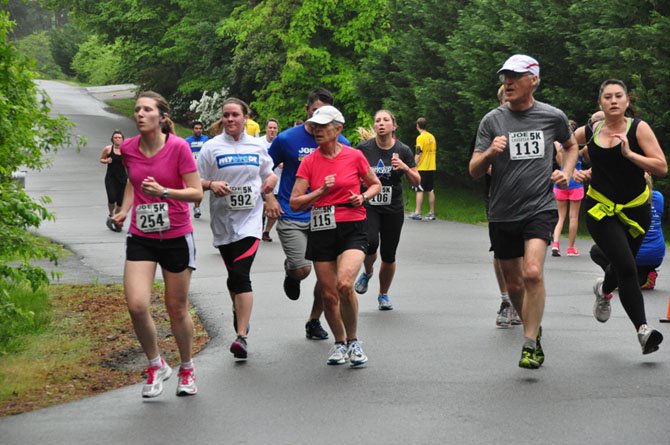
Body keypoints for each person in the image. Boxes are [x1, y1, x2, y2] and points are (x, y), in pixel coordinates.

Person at [469, 54, 579, 369]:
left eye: (516, 76)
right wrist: (490, 152)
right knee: (515, 285)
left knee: (533, 271)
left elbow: (571, 146)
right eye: (505, 75)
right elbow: (474, 170)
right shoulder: (492, 120)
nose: (508, 81)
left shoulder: (552, 116)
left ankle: (530, 342)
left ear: (534, 79)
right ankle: (532, 321)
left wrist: (566, 174)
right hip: (502, 211)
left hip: (539, 207)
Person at [111, 91, 203, 397]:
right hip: (142, 236)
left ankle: (187, 368)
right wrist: (125, 209)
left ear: (162, 117)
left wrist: (165, 192)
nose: (139, 114)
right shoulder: (128, 148)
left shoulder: (178, 148)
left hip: (177, 234)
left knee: (176, 309)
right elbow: (132, 183)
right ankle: (156, 364)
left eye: (146, 109)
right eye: (137, 109)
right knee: (137, 305)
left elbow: (196, 193)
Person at [573, 79, 666, 354]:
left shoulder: (639, 129)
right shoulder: (591, 129)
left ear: (627, 102)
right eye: (607, 97)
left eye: (618, 96)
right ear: (600, 103)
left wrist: (629, 154)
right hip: (601, 209)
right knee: (627, 267)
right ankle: (643, 331)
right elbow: (565, 144)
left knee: (621, 265)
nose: (613, 101)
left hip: (636, 210)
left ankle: (603, 290)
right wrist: (573, 169)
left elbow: (661, 167)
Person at [289, 105, 381, 366]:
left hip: (352, 225)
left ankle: (354, 341)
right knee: (328, 295)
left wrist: (361, 196)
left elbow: (376, 184)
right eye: (315, 126)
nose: (317, 130)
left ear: (337, 129)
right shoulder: (309, 161)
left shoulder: (354, 156)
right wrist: (319, 192)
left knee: (344, 284)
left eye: (323, 126)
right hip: (321, 227)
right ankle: (339, 343)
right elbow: (295, 202)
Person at [197, 98, 278, 360]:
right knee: (234, 276)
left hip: (251, 221)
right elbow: (194, 181)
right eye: (226, 115)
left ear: (246, 117)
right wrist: (210, 185)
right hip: (223, 222)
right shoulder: (211, 147)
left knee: (242, 274)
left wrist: (271, 186)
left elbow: (268, 173)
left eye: (235, 115)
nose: (230, 119)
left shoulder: (256, 146)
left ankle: (241, 337)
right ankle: (238, 311)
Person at [267, 87, 350, 341]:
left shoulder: (343, 144)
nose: (318, 123)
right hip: (293, 213)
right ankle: (292, 270)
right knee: (303, 270)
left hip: (326, 217)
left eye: (324, 116)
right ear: (306, 111)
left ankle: (314, 320)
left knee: (328, 280)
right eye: (314, 113)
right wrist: (268, 196)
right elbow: (262, 169)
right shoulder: (286, 139)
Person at [353, 110, 420, 310]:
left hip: (393, 207)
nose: (381, 123)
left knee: (389, 254)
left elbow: (417, 181)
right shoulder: (363, 149)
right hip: (370, 205)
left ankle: (383, 295)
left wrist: (405, 168)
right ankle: (367, 272)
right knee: (371, 244)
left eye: (385, 120)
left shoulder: (403, 150)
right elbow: (353, 173)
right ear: (374, 126)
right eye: (377, 121)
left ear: (394, 126)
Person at [589, 177, 665, 290]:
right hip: (656, 256)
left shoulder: (627, 200)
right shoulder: (658, 197)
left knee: (596, 251)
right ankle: (647, 275)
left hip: (634, 254)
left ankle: (618, 280)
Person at [551, 120, 583, 257]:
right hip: (576, 184)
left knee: (560, 217)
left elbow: (557, 144)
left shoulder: (560, 148)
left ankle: (556, 244)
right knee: (573, 217)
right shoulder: (578, 148)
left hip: (560, 182)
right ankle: (570, 248)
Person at [408, 117, 437, 221]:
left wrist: (413, 165)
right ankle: (432, 213)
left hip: (422, 167)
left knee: (419, 189)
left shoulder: (420, 138)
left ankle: (418, 212)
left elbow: (418, 152)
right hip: (431, 167)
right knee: (430, 189)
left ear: (417, 126)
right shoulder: (432, 137)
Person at [100, 130, 127, 232]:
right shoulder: (108, 149)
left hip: (123, 179)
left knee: (120, 203)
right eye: (116, 137)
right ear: (112, 139)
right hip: (110, 178)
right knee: (112, 199)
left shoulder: (126, 150)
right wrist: (106, 161)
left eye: (119, 137)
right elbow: (101, 159)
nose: (118, 139)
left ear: (123, 140)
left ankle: (115, 219)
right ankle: (111, 214)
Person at [260, 118, 281, 242]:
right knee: (261, 206)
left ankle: (266, 232)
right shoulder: (259, 143)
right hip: (262, 181)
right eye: (270, 128)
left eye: (274, 128)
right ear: (266, 129)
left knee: (275, 208)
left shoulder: (281, 143)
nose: (272, 130)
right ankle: (258, 227)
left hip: (277, 181)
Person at [184, 121, 209, 218]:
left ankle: (196, 206)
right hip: (193, 169)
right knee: (199, 187)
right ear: (192, 129)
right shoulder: (188, 141)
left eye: (200, 128)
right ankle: (197, 207)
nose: (198, 130)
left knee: (202, 189)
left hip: (203, 167)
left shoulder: (206, 139)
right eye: (196, 128)